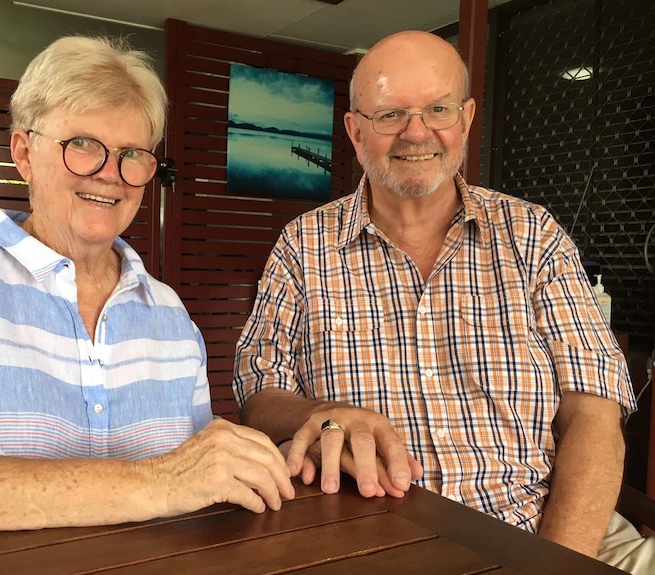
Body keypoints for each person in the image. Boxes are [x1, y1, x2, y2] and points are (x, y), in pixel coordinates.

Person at [0, 35, 293, 540]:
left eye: (133, 154)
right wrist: (155, 482)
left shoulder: (168, 313)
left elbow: (197, 463)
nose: (109, 175)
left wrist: (285, 449)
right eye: (81, 144)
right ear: (24, 153)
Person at [233, 30, 652, 573]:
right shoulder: (303, 246)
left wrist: (550, 563)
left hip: (550, 528)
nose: (417, 132)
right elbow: (257, 391)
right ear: (355, 131)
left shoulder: (534, 236)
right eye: (390, 115)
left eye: (438, 109)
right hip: (376, 539)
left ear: (467, 118)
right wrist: (323, 415)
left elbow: (593, 410)